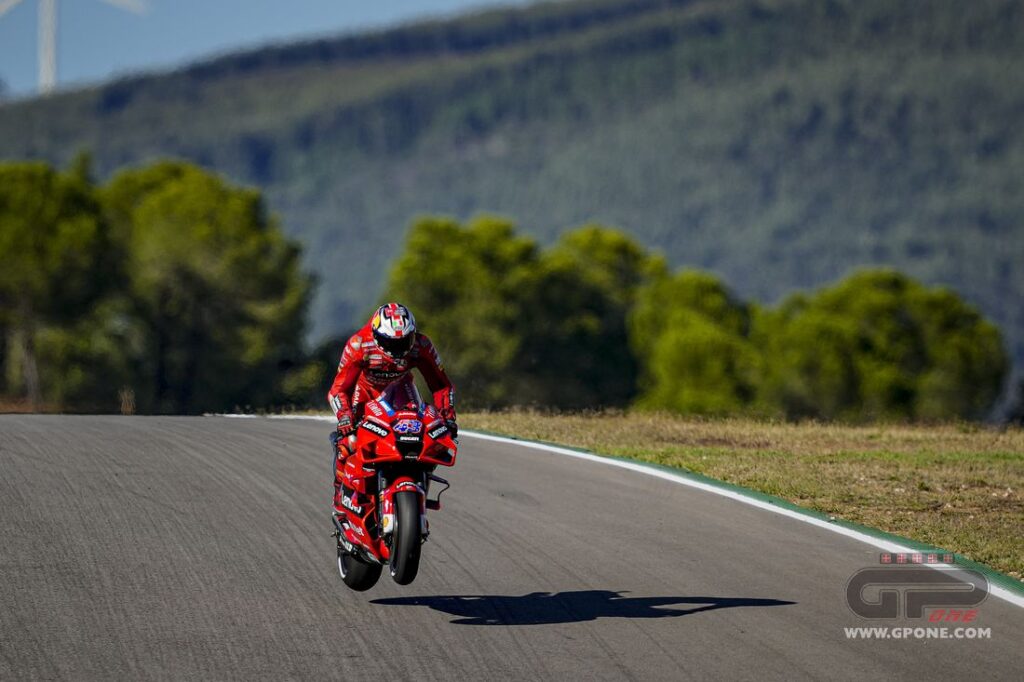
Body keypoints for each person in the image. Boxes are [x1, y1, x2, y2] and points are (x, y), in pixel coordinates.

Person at [327, 302, 456, 514]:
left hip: (401, 390)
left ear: (413, 334)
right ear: (377, 335)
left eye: (404, 341)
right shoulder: (359, 344)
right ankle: (340, 502)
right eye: (390, 342)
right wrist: (345, 417)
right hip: (365, 393)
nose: (398, 350)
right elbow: (338, 390)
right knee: (348, 444)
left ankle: (416, 484)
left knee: (421, 436)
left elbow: (441, 385)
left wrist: (448, 416)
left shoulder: (421, 345)